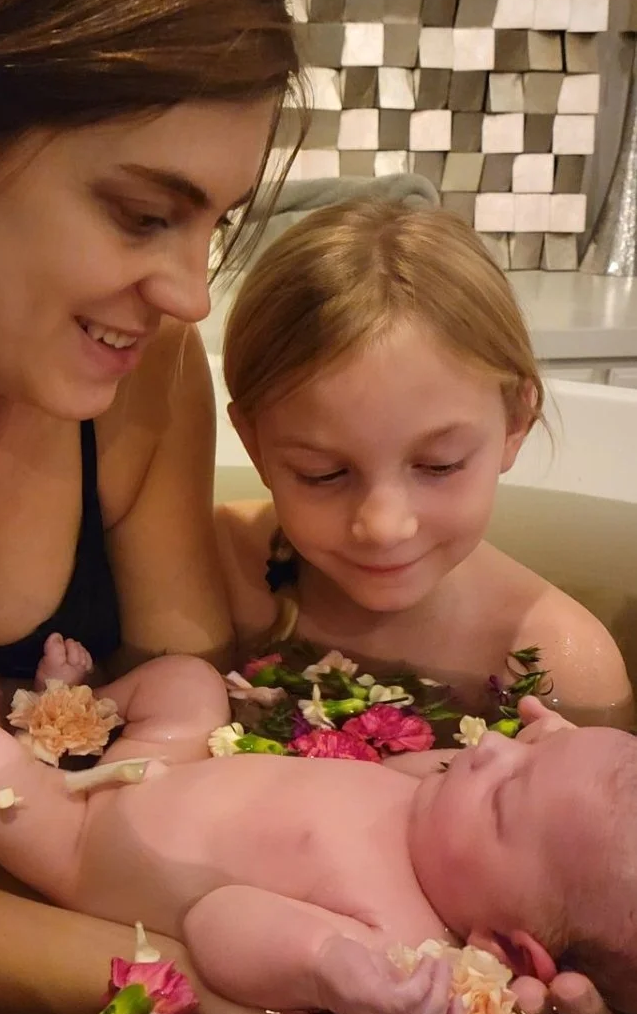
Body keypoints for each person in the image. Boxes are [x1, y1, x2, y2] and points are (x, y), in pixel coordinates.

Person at [0, 0, 627, 1014]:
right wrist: (186, 979)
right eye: (145, 212)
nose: (194, 295)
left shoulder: (135, 376)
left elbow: (195, 702)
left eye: (215, 220)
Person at [0, 625, 635, 1014]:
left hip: (80, 840)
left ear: (503, 948)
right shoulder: (440, 793)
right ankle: (64, 713)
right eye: (528, 744)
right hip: (175, 762)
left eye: (506, 796)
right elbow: (496, 778)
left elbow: (217, 921)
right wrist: (558, 757)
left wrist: (329, 969)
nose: (489, 753)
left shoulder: (397, 942)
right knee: (188, 680)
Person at [216, 199, 634, 728]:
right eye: (322, 473)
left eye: (440, 466)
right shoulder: (217, 569)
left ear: (515, 424)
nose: (385, 526)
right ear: (254, 446)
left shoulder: (560, 666)